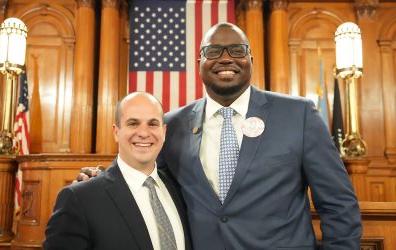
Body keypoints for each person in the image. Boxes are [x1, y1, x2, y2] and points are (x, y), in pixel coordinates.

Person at [78, 22, 362, 249]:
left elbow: (338, 204)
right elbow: (149, 180)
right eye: (213, 51)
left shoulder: (298, 115)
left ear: (250, 58)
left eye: (237, 50)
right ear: (199, 60)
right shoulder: (172, 124)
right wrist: (103, 179)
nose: (226, 58)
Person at [44, 92, 192, 250]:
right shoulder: (79, 199)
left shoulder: (179, 187)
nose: (143, 133)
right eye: (133, 123)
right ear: (116, 132)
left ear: (163, 132)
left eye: (153, 124)